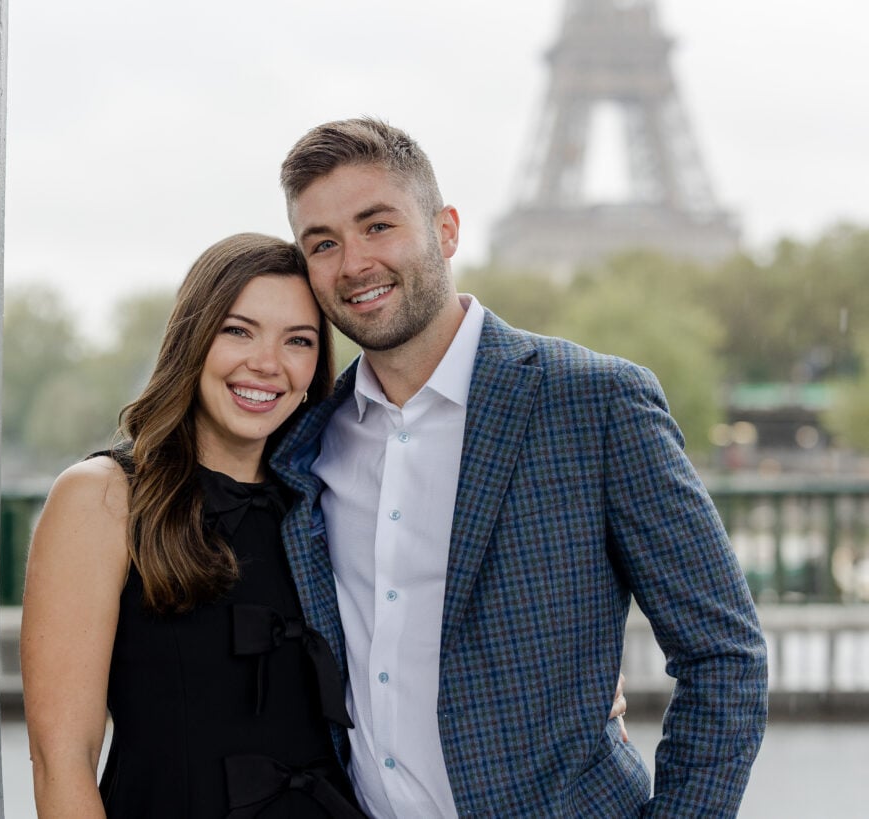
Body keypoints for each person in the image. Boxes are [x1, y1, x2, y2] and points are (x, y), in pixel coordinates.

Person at [270, 117, 769, 817]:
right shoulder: (305, 444)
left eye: (377, 225)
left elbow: (725, 654)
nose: (353, 262)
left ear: (446, 230)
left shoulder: (594, 402)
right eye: (322, 243)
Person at [20, 234, 366, 817]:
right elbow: (61, 760)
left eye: (298, 341)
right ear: (192, 339)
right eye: (238, 330)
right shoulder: (102, 497)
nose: (266, 362)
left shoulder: (332, 501)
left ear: (316, 366)